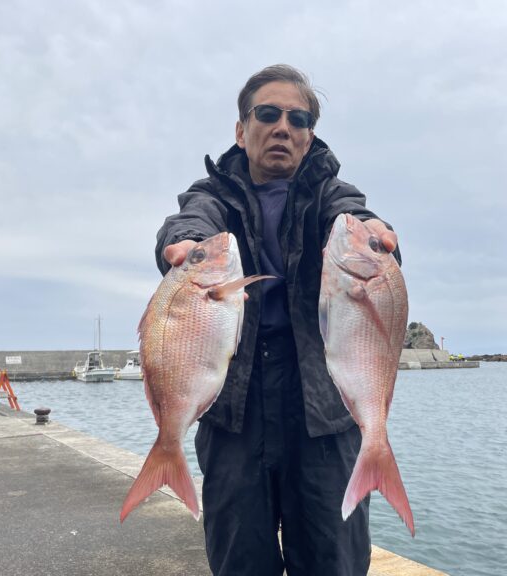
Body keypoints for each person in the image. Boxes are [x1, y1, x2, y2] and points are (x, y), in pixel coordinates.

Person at [154, 64, 401, 576]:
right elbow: (190, 218)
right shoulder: (213, 194)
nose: (283, 127)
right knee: (240, 561)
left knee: (333, 561)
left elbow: (354, 213)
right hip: (235, 407)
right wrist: (187, 244)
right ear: (241, 130)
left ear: (309, 137)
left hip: (321, 406)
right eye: (268, 114)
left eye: (298, 119)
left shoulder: (331, 195)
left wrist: (374, 232)